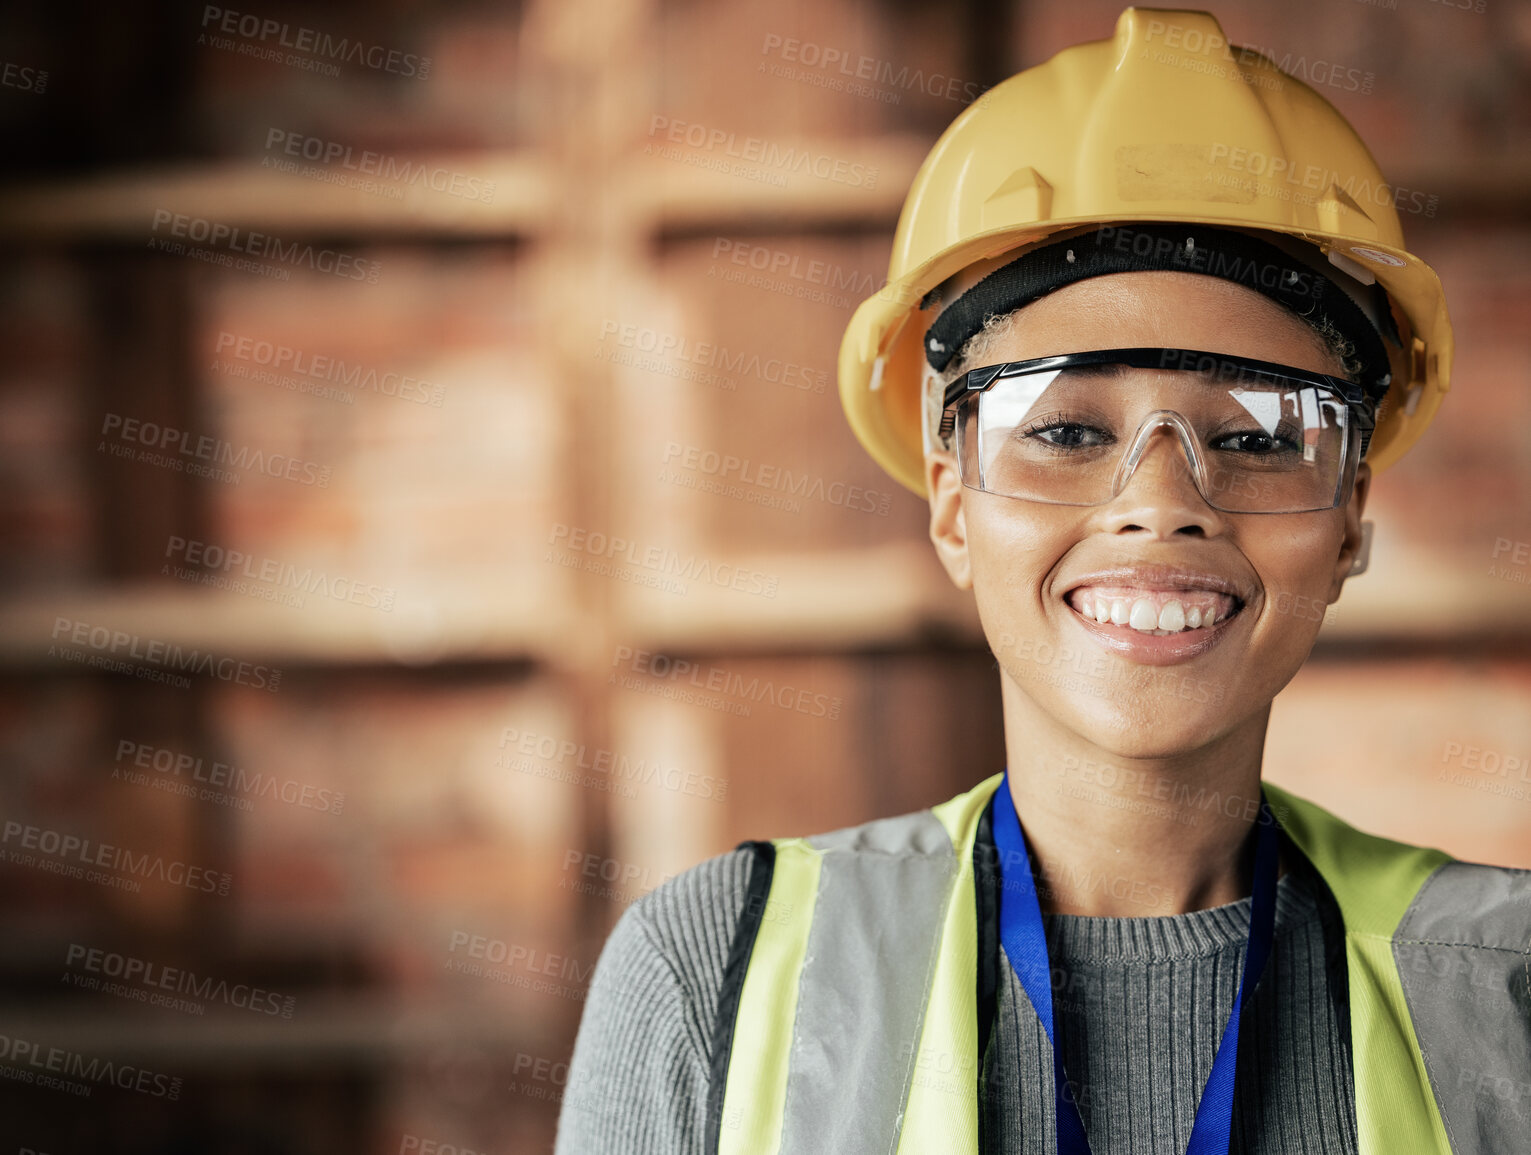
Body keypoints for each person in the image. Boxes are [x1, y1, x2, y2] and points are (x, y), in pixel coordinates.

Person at [554, 9, 1531, 1154]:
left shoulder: (1504, 983)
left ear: (1352, 517)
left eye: (1262, 436)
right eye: (1065, 427)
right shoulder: (717, 967)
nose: (1162, 500)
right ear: (952, 504)